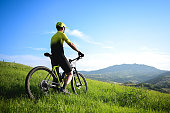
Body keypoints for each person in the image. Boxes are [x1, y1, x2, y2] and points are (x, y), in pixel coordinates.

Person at [50, 22, 84, 94]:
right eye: (64, 28)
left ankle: (54, 91)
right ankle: (64, 88)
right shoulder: (62, 34)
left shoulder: (53, 37)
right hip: (60, 56)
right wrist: (78, 51)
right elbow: (70, 44)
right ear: (63, 28)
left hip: (53, 57)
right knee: (70, 73)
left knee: (56, 76)